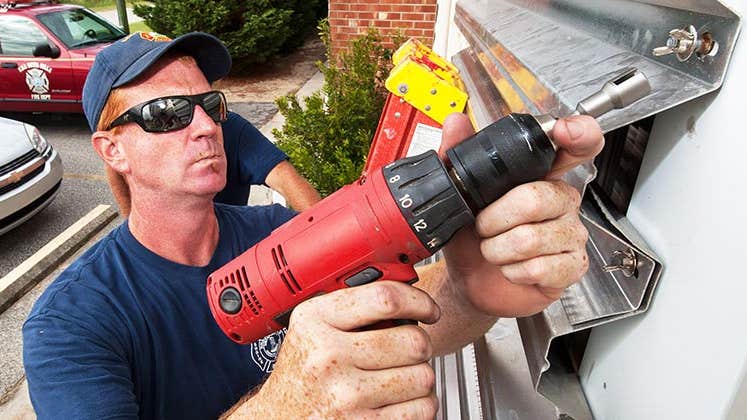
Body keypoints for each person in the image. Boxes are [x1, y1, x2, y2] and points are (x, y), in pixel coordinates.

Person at [22, 31, 603, 420]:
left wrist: (470, 291)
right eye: (167, 114)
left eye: (211, 106)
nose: (204, 126)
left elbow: (402, 321)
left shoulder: (275, 232)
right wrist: (286, 406)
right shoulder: (71, 323)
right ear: (112, 150)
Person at [105, 109, 321, 216]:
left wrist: (324, 234)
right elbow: (114, 168)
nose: (208, 128)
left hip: (230, 256)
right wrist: (131, 223)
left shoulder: (229, 127)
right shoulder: (135, 138)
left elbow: (286, 179)